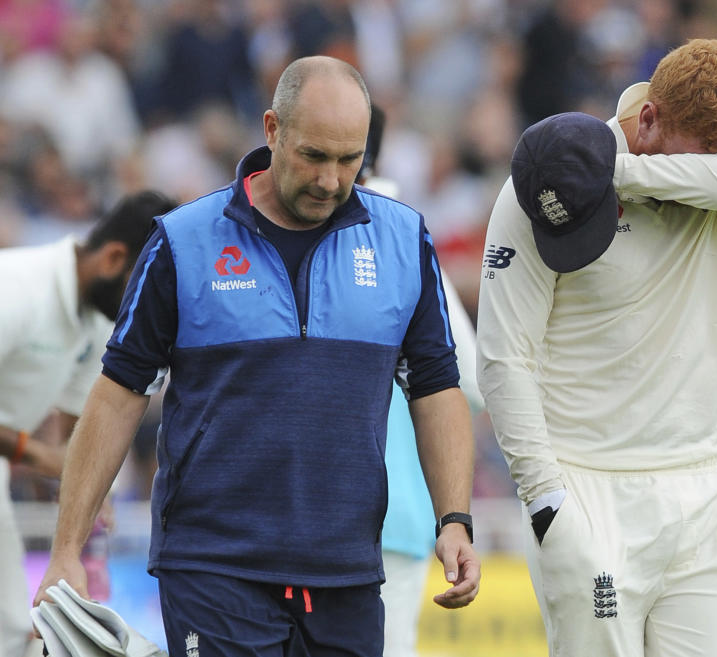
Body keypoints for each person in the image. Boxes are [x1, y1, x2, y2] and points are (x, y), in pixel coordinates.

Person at [33, 55, 479, 657]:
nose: (330, 179)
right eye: (314, 156)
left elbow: (437, 388)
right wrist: (66, 551)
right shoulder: (182, 241)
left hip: (348, 571)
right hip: (213, 567)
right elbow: (117, 396)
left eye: (349, 160)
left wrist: (455, 518)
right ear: (272, 130)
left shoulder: (403, 240)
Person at [476, 38, 717, 657]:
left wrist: (621, 174)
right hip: (588, 489)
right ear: (647, 117)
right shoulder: (549, 180)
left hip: (708, 488)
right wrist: (545, 500)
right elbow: (503, 357)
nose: (699, 182)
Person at [0, 190, 176, 657]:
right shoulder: (16, 288)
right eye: (143, 286)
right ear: (115, 257)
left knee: (18, 638)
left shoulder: (100, 317)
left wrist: (89, 501)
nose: (149, 306)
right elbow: (53, 453)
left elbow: (85, 424)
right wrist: (36, 454)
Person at [358, 105, 485, 657]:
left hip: (359, 517)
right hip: (391, 513)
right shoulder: (402, 229)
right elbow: (472, 379)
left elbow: (462, 377)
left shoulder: (398, 232)